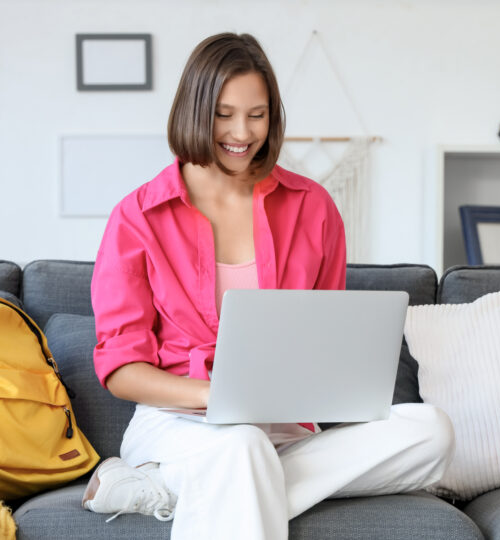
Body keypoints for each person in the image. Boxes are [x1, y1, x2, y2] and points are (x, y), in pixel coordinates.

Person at [82, 32, 454, 540]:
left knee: (431, 430)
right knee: (240, 447)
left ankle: (172, 490)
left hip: (283, 426)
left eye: (257, 115)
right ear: (195, 111)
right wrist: (217, 398)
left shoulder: (312, 206)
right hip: (178, 422)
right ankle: (199, 471)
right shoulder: (137, 217)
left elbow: (324, 337)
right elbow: (122, 369)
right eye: (224, 114)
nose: (242, 132)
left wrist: (320, 389)